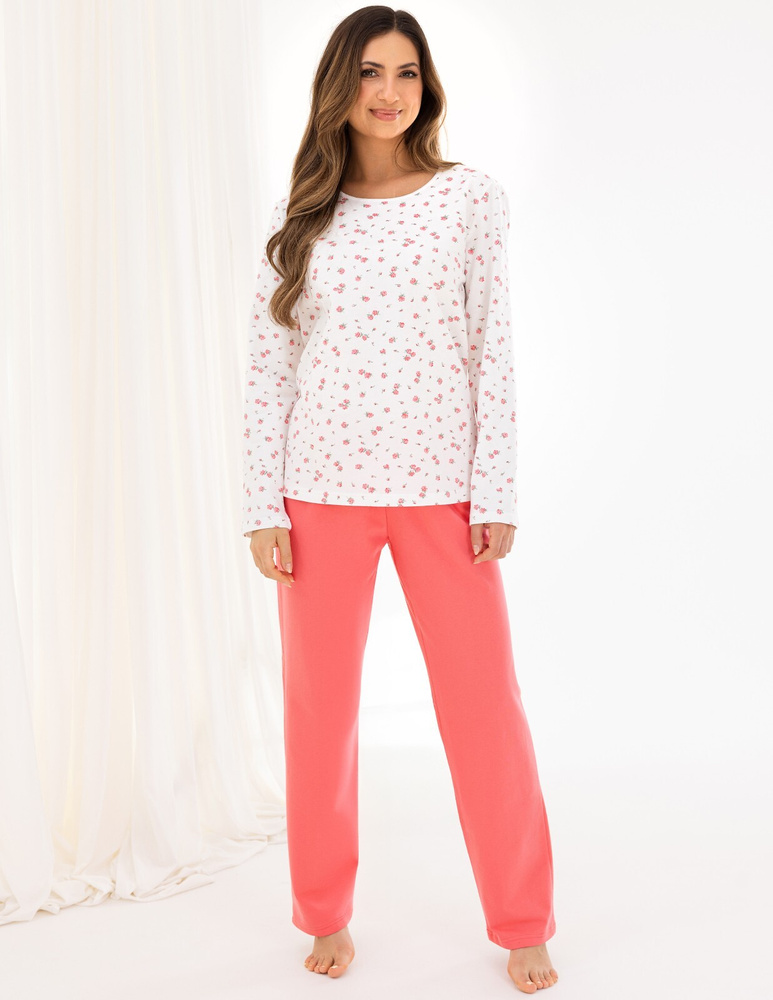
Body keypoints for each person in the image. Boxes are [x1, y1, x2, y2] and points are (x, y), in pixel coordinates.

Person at [241, 6, 559, 993]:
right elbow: (269, 371)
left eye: (406, 73)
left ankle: (522, 920)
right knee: (319, 714)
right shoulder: (300, 222)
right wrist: (262, 505)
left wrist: (493, 486)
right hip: (318, 492)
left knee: (483, 709)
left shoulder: (469, 200)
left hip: (439, 494)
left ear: (427, 87)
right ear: (338, 88)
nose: (388, 92)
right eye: (370, 72)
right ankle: (323, 913)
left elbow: (491, 347)